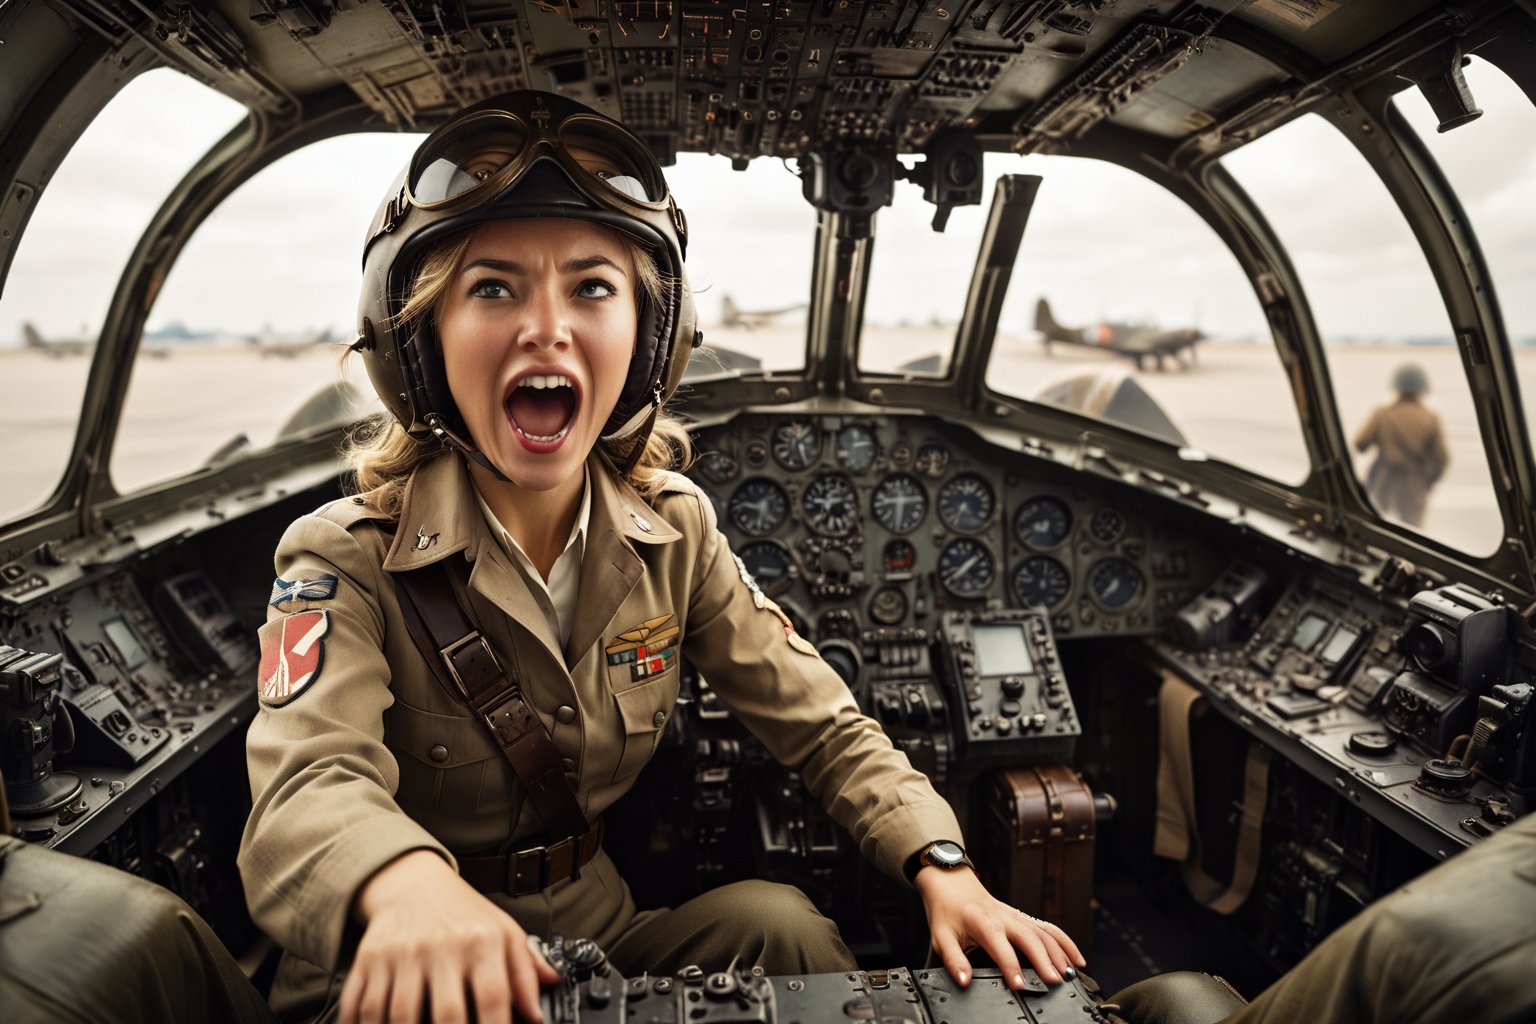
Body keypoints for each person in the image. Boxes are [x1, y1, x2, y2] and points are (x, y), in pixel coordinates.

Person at [237, 90, 1084, 1024]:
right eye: (492, 287)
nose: (546, 329)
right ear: (420, 344)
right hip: (395, 973)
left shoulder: (674, 532)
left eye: (593, 287)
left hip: (597, 939)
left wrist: (943, 862)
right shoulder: (345, 557)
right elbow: (307, 782)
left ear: (650, 342)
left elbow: (821, 723)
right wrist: (401, 888)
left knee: (781, 925)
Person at [1351, 363, 1449, 527]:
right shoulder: (1431, 418)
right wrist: (1428, 482)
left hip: (1383, 478)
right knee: (1413, 531)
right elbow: (1442, 459)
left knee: (1376, 525)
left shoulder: (1382, 414)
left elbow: (1360, 444)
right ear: (1422, 387)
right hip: (1414, 482)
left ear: (1396, 385)